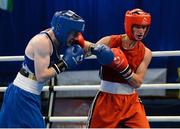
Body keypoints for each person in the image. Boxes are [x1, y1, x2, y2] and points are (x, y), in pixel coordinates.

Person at [0, 10, 114, 128]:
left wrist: (96, 48)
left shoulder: (62, 38)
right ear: (63, 29)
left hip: (29, 94)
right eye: (74, 33)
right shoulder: (42, 42)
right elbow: (41, 76)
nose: (76, 37)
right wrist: (64, 63)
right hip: (22, 94)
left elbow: (83, 45)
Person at [86, 8, 152, 128]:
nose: (141, 31)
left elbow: (137, 82)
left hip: (131, 102)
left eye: (144, 27)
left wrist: (124, 68)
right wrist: (78, 43)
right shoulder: (109, 41)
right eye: (137, 26)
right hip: (107, 100)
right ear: (129, 25)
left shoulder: (146, 53)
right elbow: (87, 50)